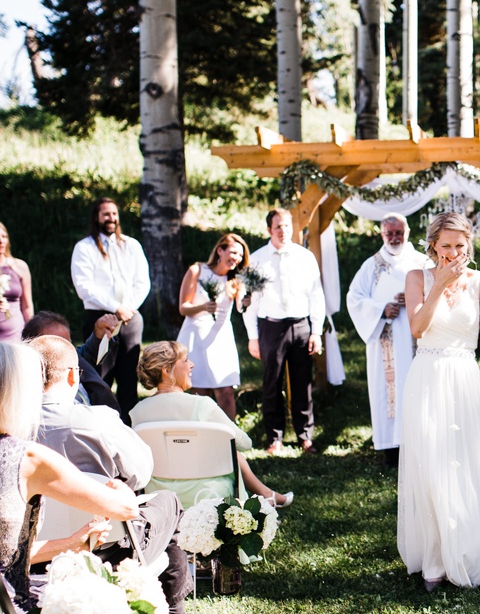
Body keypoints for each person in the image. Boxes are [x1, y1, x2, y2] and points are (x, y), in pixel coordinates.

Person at [28, 335, 192, 614]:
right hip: (107, 548)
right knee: (169, 502)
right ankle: (175, 611)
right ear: (71, 376)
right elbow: (141, 472)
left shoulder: (13, 430)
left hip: (34, 552)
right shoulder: (98, 420)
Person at [396, 212, 480, 591]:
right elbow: (417, 328)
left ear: (468, 245)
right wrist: (439, 285)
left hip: (464, 376)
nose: (453, 253)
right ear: (433, 246)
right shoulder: (416, 278)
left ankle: (468, 550)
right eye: (446, 247)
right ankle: (435, 558)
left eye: (460, 246)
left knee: (465, 463)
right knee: (431, 465)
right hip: (427, 374)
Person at [0, 341, 139, 613]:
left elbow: (5, 556)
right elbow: (126, 508)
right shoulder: (27, 459)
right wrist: (122, 490)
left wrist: (70, 544)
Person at [130, 341, 292, 509]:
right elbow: (245, 443)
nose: (191, 365)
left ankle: (268, 495)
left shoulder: (136, 413)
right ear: (166, 370)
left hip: (159, 498)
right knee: (231, 453)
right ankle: (267, 496)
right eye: (185, 360)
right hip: (206, 494)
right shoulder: (202, 405)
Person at [346, 213, 432, 467]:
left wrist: (416, 297)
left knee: (418, 387)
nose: (395, 238)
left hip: (419, 340)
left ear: (407, 232)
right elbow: (354, 298)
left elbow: (438, 289)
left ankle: (419, 446)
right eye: (389, 233)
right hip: (387, 339)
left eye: (399, 233)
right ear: (382, 234)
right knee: (389, 392)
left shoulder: (422, 261)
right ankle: (391, 450)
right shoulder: (372, 266)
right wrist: (382, 309)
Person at [242, 209, 326, 455]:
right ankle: (274, 437)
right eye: (278, 226)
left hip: (300, 325)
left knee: (303, 383)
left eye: (287, 226)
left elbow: (316, 295)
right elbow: (250, 302)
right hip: (271, 326)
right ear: (269, 230)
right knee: (271, 382)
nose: (283, 231)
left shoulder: (305, 257)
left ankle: (305, 435)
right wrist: (253, 337)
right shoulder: (256, 260)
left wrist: (316, 331)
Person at [70, 198, 151, 420]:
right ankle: (98, 425)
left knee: (128, 377)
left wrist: (128, 309)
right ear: (96, 217)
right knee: (99, 377)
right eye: (106, 214)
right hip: (99, 318)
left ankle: (128, 425)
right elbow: (84, 287)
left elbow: (143, 282)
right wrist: (115, 308)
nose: (111, 218)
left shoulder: (131, 245)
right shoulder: (84, 248)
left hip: (130, 318)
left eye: (114, 214)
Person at [177, 233, 250, 420]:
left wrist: (247, 301)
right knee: (199, 394)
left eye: (240, 256)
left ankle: (230, 441)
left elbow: (241, 306)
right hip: (195, 336)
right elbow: (183, 308)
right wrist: (202, 307)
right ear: (220, 250)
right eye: (233, 252)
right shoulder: (197, 271)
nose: (237, 258)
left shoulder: (235, 280)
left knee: (226, 392)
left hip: (220, 338)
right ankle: (201, 439)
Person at [21, 310, 121, 413]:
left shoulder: (74, 358)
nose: (67, 351)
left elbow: (87, 352)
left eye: (68, 344)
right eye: (58, 346)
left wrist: (99, 334)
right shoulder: (30, 395)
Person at [0, 221, 34, 342]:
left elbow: (27, 305)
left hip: (14, 332)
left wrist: (32, 333)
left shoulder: (19, 266)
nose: (1, 241)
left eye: (4, 236)